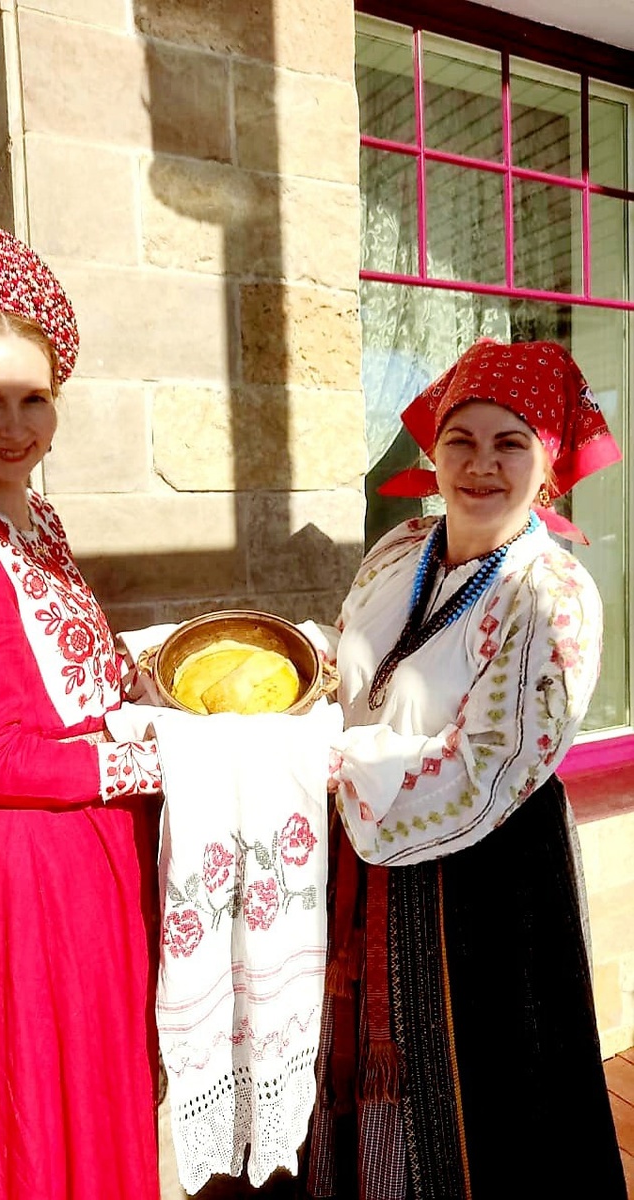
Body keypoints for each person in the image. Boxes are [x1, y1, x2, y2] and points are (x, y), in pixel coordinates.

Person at [302, 340, 627, 1199]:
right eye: (461, 441)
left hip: (484, 874)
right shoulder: (398, 549)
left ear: (548, 468)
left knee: (482, 1095)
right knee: (361, 1059)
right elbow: (357, 668)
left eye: (509, 444)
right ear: (433, 452)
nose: (480, 465)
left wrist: (330, 762)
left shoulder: (551, 594)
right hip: (362, 847)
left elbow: (491, 761)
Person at [0, 227, 163, 1200]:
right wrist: (153, 761)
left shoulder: (34, 517)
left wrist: (147, 685)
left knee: (97, 1103)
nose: (13, 426)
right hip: (24, 878)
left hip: (88, 858)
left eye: (33, 398)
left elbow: (61, 680)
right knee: (43, 1125)